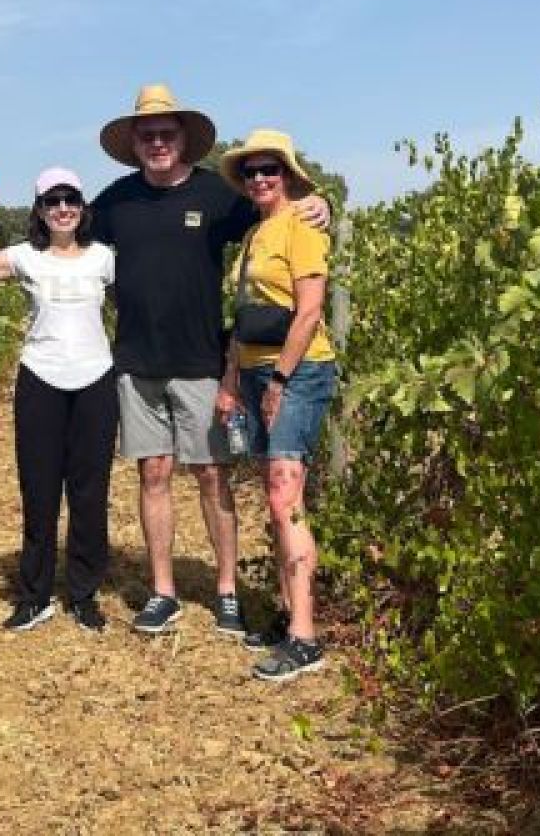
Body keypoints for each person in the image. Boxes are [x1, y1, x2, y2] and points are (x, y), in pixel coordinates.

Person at [91, 84, 330, 635]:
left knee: (211, 475)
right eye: (147, 134)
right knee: (153, 473)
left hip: (203, 361)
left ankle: (226, 590)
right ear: (135, 142)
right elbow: (61, 235)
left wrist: (321, 203)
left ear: (184, 141)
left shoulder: (219, 197)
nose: (157, 142)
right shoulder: (114, 203)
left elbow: (281, 210)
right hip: (136, 360)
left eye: (166, 134)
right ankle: (163, 591)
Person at [216, 129, 337, 682]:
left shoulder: (303, 227)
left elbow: (309, 312)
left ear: (288, 175)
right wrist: (232, 378)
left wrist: (280, 381)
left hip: (299, 369)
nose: (261, 178)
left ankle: (306, 638)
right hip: (259, 369)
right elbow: (244, 316)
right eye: (251, 171)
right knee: (274, 492)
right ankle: (290, 615)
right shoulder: (256, 234)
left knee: (287, 491)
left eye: (271, 169)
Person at [0, 167, 118, 634]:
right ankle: (35, 595)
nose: (63, 208)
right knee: (38, 492)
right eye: (52, 200)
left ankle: (83, 594)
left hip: (96, 379)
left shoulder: (104, 257)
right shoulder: (23, 257)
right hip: (40, 378)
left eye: (71, 199)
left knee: (90, 492)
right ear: (39, 210)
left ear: (83, 207)